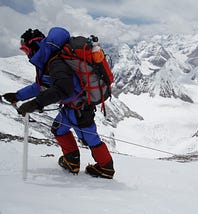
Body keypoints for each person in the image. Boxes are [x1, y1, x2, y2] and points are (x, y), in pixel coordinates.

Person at [2, 28, 115, 179]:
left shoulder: (56, 63)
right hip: (72, 106)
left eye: (25, 50)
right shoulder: (53, 61)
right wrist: (18, 96)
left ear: (35, 47)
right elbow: (42, 86)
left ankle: (106, 169)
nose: (27, 54)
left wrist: (36, 103)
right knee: (59, 129)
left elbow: (63, 89)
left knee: (90, 138)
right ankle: (71, 162)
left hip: (79, 108)